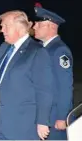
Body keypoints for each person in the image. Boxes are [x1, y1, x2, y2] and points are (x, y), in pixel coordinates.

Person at [0, 10, 54, 140]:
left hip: (24, 121)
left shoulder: (37, 52)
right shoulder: (5, 47)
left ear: (19, 27)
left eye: (5, 26)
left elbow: (44, 90)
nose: (2, 30)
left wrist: (43, 121)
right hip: (3, 117)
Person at [33, 6, 74, 140]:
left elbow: (65, 86)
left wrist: (62, 117)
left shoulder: (60, 51)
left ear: (50, 26)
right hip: (42, 113)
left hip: (54, 116)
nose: (34, 27)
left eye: (38, 24)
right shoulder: (41, 48)